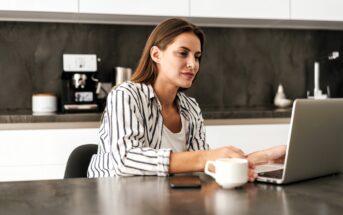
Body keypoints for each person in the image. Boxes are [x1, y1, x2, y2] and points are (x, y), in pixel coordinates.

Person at [87, 18, 286, 180]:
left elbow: (205, 167)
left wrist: (260, 159)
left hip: (167, 201)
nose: (193, 64)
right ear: (156, 54)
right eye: (183, 53)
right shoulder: (126, 95)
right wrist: (205, 157)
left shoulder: (190, 108)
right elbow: (125, 161)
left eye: (197, 56)